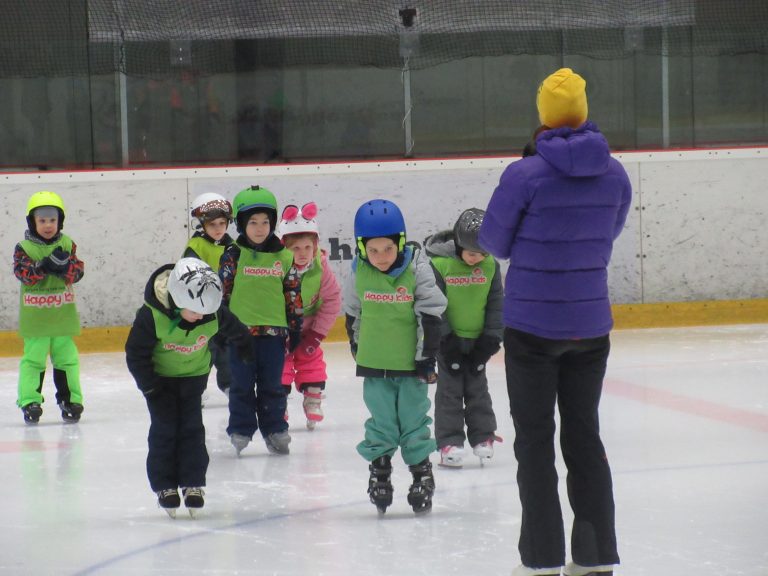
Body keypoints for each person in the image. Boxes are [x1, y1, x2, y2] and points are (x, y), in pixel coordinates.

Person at [478, 68, 632, 576]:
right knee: (584, 436)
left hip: (532, 330)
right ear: (584, 111)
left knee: (536, 441)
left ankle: (542, 558)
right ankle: (595, 557)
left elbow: (494, 245)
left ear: (543, 115)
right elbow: (606, 237)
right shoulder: (615, 173)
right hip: (590, 326)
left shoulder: (523, 175)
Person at [125, 257, 252, 518]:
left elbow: (235, 329)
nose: (200, 317)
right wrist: (150, 389)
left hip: (194, 377)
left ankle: (194, 483)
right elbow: (135, 354)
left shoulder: (211, 311)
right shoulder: (151, 316)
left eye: (205, 313)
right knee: (164, 431)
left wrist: (245, 347)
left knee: (192, 431)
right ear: (177, 300)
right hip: (160, 383)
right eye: (194, 312)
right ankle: (165, 486)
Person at [343, 199, 447, 515]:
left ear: (400, 242)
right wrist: (358, 348)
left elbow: (430, 314)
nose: (381, 257)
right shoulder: (358, 270)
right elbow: (352, 312)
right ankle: (380, 471)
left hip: (411, 365)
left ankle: (421, 474)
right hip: (375, 365)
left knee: (414, 421)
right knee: (382, 422)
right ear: (362, 248)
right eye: (372, 251)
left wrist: (426, 357)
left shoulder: (418, 269)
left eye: (387, 249)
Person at [219, 185, 303, 456]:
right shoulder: (233, 255)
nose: (259, 228)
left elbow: (292, 293)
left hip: (274, 334)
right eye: (253, 222)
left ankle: (275, 429)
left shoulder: (284, 256)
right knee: (241, 384)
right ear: (242, 225)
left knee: (272, 385)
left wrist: (295, 325)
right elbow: (223, 292)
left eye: (265, 222)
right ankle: (241, 428)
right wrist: (221, 327)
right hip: (239, 334)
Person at [424, 208, 503, 468]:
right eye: (471, 254)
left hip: (478, 340)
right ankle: (449, 441)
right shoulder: (440, 264)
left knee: (478, 388)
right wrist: (445, 341)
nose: (476, 259)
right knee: (450, 390)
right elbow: (434, 305)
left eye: (482, 253)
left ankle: (483, 436)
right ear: (458, 244)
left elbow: (496, 303)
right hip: (448, 342)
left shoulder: (490, 265)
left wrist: (491, 339)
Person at [13, 190, 85, 424]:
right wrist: (44, 265)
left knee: (67, 360)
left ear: (59, 221)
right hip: (36, 319)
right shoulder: (24, 247)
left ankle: (70, 399)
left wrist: (65, 268)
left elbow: (78, 272)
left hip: (62, 317)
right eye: (42, 220)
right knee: (33, 360)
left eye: (52, 220)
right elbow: (23, 274)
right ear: (32, 222)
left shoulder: (67, 244)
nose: (48, 225)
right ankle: (29, 400)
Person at [276, 201, 341, 430]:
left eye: (307, 248)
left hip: (308, 330)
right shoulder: (276, 269)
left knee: (311, 361)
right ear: (284, 248)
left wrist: (316, 335)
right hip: (281, 329)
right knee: (278, 367)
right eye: (295, 249)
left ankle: (313, 397)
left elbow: (333, 300)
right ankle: (278, 404)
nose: (303, 254)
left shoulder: (320, 268)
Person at [183, 192, 235, 396]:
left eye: (222, 223)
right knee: (203, 351)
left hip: (227, 308)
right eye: (213, 224)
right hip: (202, 311)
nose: (218, 228)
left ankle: (230, 385)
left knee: (227, 349)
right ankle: (197, 390)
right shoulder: (194, 247)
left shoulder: (233, 246)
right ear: (201, 224)